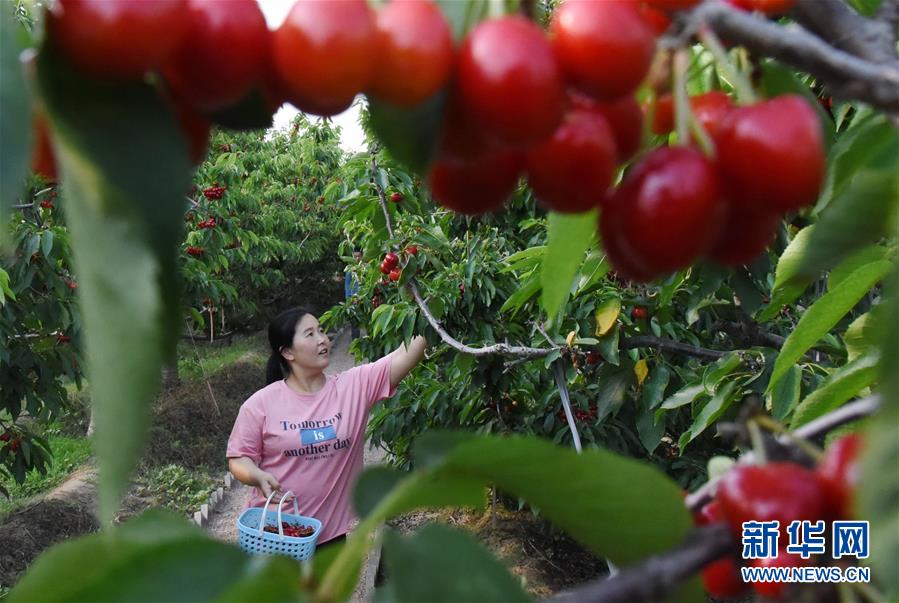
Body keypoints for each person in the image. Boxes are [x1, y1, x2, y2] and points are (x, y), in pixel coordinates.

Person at [227, 306, 427, 554]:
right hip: (272, 534)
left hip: (329, 536)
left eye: (321, 330)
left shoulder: (354, 387)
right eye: (309, 334)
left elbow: (406, 354)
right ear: (287, 352)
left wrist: (425, 302)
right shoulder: (260, 404)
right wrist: (256, 475)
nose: (323, 339)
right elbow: (239, 458)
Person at [344, 249, 362, 340]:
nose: (357, 258)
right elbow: (347, 285)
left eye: (359, 256)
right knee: (355, 320)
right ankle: (355, 340)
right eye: (355, 256)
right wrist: (349, 299)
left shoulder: (364, 267)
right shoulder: (349, 269)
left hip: (364, 297)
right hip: (353, 299)